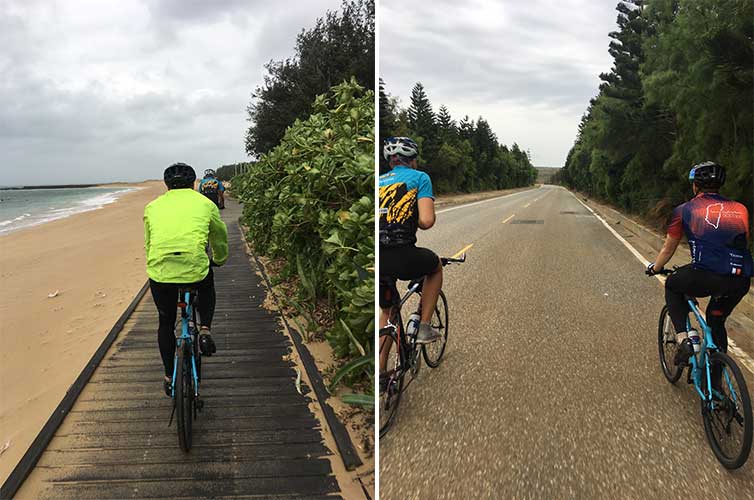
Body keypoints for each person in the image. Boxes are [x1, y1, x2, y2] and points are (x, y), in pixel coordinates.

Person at [647, 161, 752, 373]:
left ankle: (684, 340)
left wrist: (656, 268)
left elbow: (668, 249)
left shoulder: (685, 210)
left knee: (673, 284)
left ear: (695, 185)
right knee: (716, 320)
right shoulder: (740, 209)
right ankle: (717, 390)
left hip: (704, 276)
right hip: (740, 279)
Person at [144, 163, 229, 396]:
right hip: (195, 268)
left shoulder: (152, 206)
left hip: (161, 273)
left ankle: (168, 374)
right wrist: (220, 259)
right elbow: (220, 236)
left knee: (165, 322)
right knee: (206, 283)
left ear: (166, 185)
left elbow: (149, 243)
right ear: (194, 184)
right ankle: (204, 329)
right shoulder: (206, 204)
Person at [379, 137, 443, 359]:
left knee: (387, 311)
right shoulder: (420, 178)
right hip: (403, 254)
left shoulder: (377, 181)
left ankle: (381, 374)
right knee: (434, 268)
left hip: (377, 257)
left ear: (390, 162)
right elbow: (426, 221)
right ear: (413, 161)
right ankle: (424, 327)